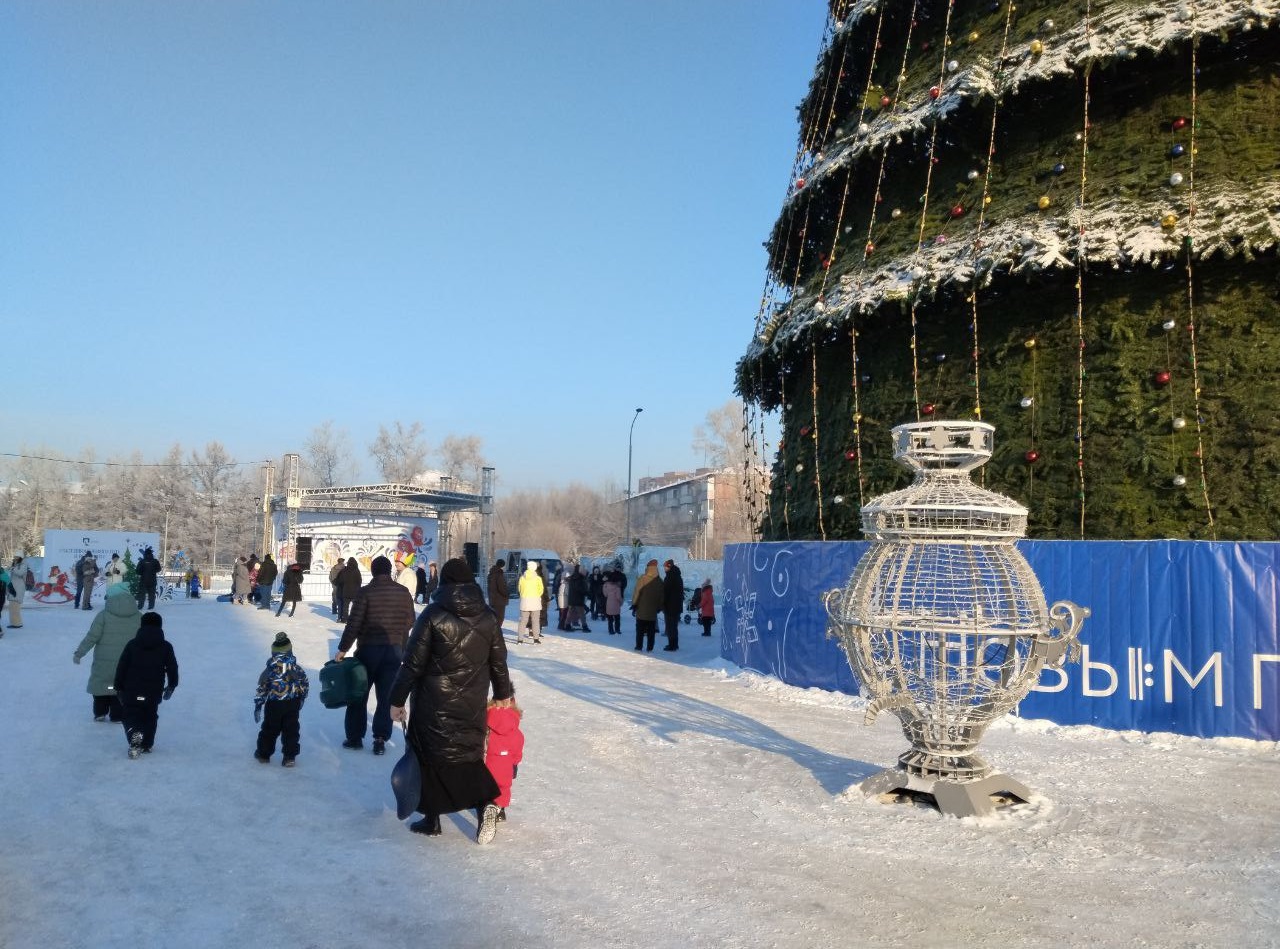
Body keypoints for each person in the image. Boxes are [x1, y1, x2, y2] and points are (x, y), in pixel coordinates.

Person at [389, 557, 514, 844]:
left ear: (444, 582)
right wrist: (503, 693)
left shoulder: (432, 615)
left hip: (434, 703)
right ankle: (484, 806)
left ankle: (433, 818)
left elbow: (411, 664)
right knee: (467, 756)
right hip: (471, 702)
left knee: (430, 757)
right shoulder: (488, 616)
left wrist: (397, 700)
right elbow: (499, 661)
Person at [335, 555, 415, 755]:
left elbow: (354, 624)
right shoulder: (403, 592)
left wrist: (343, 648)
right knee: (387, 697)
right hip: (394, 652)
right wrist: (400, 641)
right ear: (389, 571)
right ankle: (380, 739)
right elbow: (410, 620)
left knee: (359, 694)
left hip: (368, 651)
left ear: (373, 571)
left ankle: (354, 738)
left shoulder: (365, 593)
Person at [113, 611, 179, 758]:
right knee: (150, 715)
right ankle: (147, 743)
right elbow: (172, 667)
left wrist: (118, 687)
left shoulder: (132, 644)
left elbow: (122, 666)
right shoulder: (166, 646)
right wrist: (172, 685)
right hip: (153, 690)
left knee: (130, 714)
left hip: (132, 688)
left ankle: (134, 732)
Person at [73, 583, 140, 722]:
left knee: (102, 685)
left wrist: (79, 653)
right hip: (128, 661)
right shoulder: (138, 616)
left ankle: (100, 712)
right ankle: (117, 715)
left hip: (104, 660)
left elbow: (92, 636)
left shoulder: (103, 615)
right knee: (119, 686)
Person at [254, 632, 310, 767]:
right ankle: (289, 757)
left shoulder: (269, 671)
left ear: (273, 653)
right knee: (291, 729)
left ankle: (263, 754)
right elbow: (304, 683)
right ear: (290, 651)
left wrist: (259, 704)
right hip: (292, 704)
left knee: (269, 729)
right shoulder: (297, 669)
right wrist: (302, 696)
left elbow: (262, 687)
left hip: (274, 704)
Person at [485, 697, 524, 823]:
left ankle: (487, 807)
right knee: (503, 787)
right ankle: (500, 811)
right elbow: (518, 745)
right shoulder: (514, 727)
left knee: (487, 787)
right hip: (506, 764)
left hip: (489, 762)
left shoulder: (486, 721)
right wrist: (515, 763)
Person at [631, 559, 664, 652]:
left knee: (640, 630)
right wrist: (659, 607)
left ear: (647, 568)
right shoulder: (659, 581)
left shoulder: (642, 578)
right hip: (652, 611)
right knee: (651, 631)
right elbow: (662, 596)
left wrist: (634, 604)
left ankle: (639, 646)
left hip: (641, 609)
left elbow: (637, 592)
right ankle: (650, 647)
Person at [516, 559, 543, 645]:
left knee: (523, 621)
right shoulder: (538, 578)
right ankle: (536, 639)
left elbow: (519, 589)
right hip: (535, 601)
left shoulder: (522, 578)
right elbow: (541, 590)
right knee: (535, 621)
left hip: (525, 601)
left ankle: (520, 639)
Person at [661, 559, 684, 652]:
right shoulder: (677, 576)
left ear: (669, 566)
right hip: (677, 605)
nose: (664, 568)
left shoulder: (670, 577)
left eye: (665, 566)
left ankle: (672, 645)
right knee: (674, 626)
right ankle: (675, 644)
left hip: (670, 605)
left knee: (670, 626)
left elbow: (666, 592)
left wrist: (663, 603)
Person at [336, 556, 363, 622]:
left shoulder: (345, 570)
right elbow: (359, 580)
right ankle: (355, 618)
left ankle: (345, 619)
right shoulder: (357, 570)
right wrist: (357, 587)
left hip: (346, 591)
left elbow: (341, 580)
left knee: (345, 606)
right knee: (355, 606)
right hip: (355, 592)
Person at [565, 564, 590, 632]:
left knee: (570, 613)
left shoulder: (573, 577)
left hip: (572, 599)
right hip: (578, 599)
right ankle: (585, 627)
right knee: (581, 614)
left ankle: (567, 625)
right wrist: (587, 593)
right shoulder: (579, 578)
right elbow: (580, 589)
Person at [487, 558, 509, 628]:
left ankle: (492, 631)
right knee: (500, 617)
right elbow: (502, 588)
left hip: (492, 598)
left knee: (493, 617)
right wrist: (507, 593)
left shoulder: (491, 574)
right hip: (499, 600)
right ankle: (496, 632)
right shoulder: (499, 575)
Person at [6, 555, 26, 628]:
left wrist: (13, 568)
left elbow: (20, 573)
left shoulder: (23, 565)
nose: (14, 559)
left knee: (15, 607)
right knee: (12, 607)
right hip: (14, 589)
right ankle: (14, 623)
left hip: (18, 589)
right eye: (14, 558)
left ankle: (17, 624)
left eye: (16, 558)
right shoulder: (16, 566)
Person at [602, 569, 623, 635]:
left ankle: (611, 630)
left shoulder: (605, 586)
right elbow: (618, 597)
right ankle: (617, 629)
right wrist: (621, 602)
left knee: (610, 619)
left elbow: (605, 595)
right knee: (617, 618)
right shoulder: (617, 587)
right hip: (616, 605)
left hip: (609, 604)